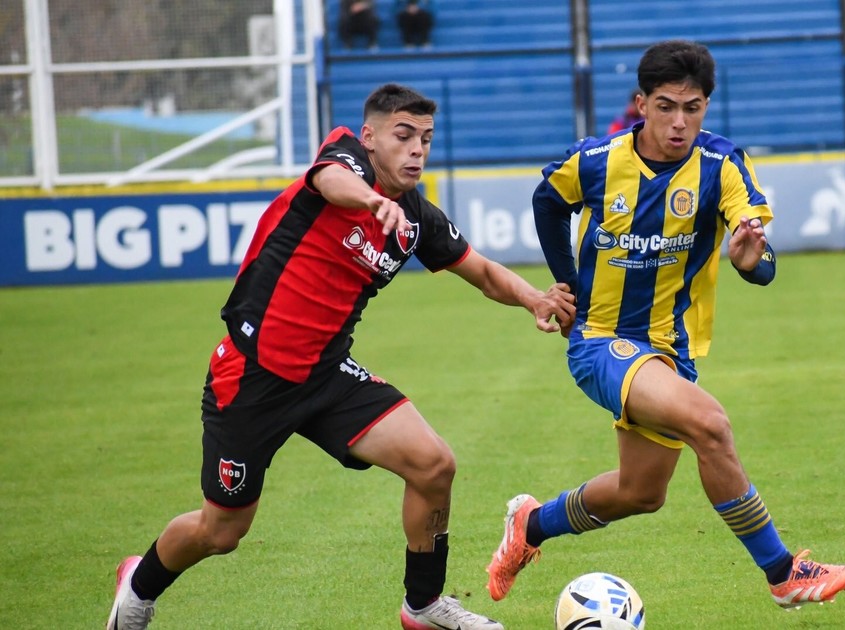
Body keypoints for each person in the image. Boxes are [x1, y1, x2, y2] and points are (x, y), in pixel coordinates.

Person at [105, 83, 576, 630]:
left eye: (425, 139)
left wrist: (534, 299)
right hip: (252, 375)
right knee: (222, 531)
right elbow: (331, 180)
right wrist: (372, 200)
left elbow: (483, 271)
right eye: (403, 136)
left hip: (328, 377)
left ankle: (423, 606)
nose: (417, 149)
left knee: (433, 465)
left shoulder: (416, 217)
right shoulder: (345, 158)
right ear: (370, 136)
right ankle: (138, 585)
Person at [485, 39, 845, 612]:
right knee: (710, 424)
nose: (679, 122)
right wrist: (566, 286)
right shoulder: (596, 160)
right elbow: (548, 200)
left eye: (693, 107)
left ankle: (531, 525)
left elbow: (760, 257)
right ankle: (784, 573)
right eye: (666, 106)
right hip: (601, 341)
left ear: (706, 106)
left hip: (671, 351)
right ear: (641, 104)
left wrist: (752, 262)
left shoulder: (722, 165)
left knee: (641, 492)